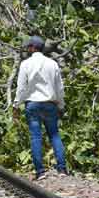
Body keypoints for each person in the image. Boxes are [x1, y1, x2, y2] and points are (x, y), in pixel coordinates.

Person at [12, 36, 68, 180]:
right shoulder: (52, 63)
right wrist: (61, 104)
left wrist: (16, 105)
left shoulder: (26, 64)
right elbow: (59, 87)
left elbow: (21, 87)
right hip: (50, 104)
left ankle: (40, 172)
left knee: (36, 137)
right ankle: (62, 169)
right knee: (54, 135)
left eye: (28, 47)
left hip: (33, 104)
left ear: (32, 48)